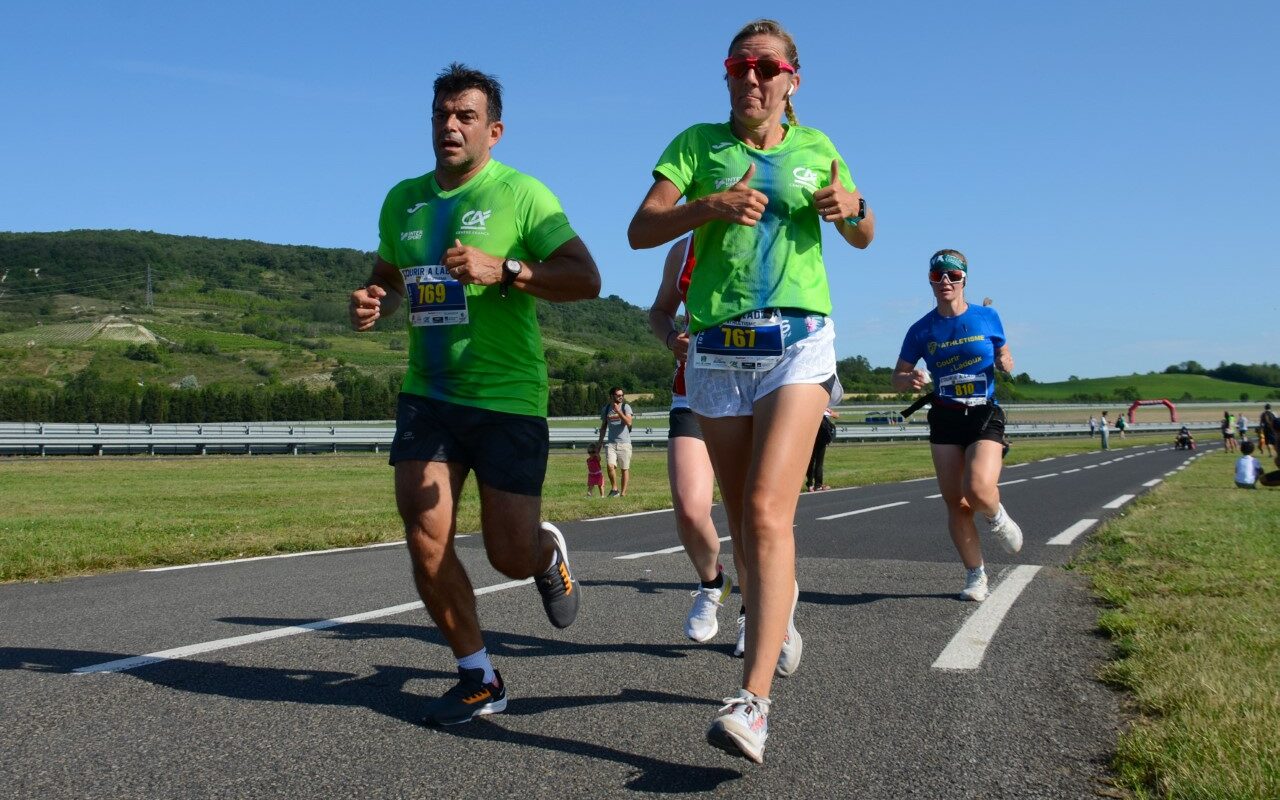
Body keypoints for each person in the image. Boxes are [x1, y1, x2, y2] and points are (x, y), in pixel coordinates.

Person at [628, 18, 874, 764]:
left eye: (768, 67)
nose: (754, 78)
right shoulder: (697, 147)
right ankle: (777, 610)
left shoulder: (817, 147)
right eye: (741, 66)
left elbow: (864, 229)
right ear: (728, 75)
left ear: (792, 80)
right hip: (717, 351)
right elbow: (642, 229)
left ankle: (752, 701)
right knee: (744, 521)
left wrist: (849, 212)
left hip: (798, 344)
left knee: (769, 510)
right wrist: (709, 207)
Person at [347, 63, 601, 726]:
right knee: (424, 531)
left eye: (465, 116)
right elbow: (390, 272)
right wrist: (377, 297)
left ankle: (546, 554)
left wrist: (507, 268)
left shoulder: (522, 195)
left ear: (494, 130)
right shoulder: (402, 200)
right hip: (428, 393)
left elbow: (586, 277)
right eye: (441, 115)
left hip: (507, 397)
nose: (451, 126)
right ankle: (479, 674)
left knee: (506, 554)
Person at [892, 250, 1023, 605]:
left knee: (979, 489)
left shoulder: (987, 317)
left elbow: (1006, 353)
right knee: (957, 503)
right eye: (937, 276)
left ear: (965, 279)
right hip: (946, 417)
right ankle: (976, 574)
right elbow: (897, 377)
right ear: (931, 282)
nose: (945, 282)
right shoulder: (921, 329)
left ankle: (998, 518)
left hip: (983, 414)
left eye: (952, 275)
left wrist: (1006, 361)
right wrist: (911, 378)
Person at [648, 237, 737, 645]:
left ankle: (759, 612)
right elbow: (660, 312)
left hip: (759, 392)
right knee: (688, 509)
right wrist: (671, 340)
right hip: (694, 389)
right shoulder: (683, 248)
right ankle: (712, 582)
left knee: (753, 513)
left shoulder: (771, 231)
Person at [596, 387, 634, 497]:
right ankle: (614, 489)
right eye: (618, 395)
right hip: (611, 443)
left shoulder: (626, 407)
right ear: (611, 396)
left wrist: (619, 411)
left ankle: (623, 493)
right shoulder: (606, 409)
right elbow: (603, 427)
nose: (620, 397)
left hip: (625, 443)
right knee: (610, 466)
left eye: (622, 395)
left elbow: (629, 422)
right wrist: (599, 443)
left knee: (624, 469)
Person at [806, 408, 838, 491]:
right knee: (819, 462)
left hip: (809, 437)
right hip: (820, 438)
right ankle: (818, 484)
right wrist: (829, 411)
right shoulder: (821, 408)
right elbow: (837, 415)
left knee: (810, 461)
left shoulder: (809, 409)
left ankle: (810, 484)